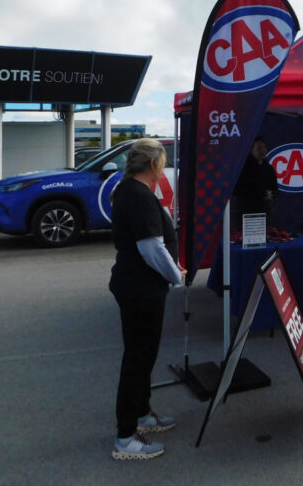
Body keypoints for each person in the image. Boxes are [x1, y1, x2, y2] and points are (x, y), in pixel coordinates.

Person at [108, 138, 185, 461]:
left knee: (143, 354)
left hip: (137, 286)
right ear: (154, 164)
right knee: (138, 358)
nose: (163, 169)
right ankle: (126, 438)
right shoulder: (137, 195)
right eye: (163, 163)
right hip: (141, 288)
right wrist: (176, 275)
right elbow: (152, 247)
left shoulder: (131, 190)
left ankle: (141, 414)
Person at [232, 136, 278, 229]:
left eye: (264, 148)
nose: (263, 151)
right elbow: (237, 190)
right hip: (247, 211)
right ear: (251, 150)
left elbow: (275, 189)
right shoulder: (242, 168)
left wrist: (271, 194)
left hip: (265, 210)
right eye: (259, 148)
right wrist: (261, 193)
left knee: (266, 237)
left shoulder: (269, 168)